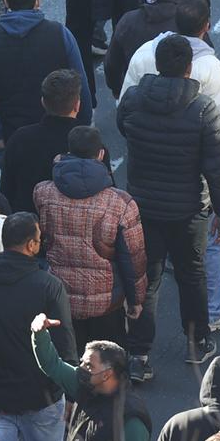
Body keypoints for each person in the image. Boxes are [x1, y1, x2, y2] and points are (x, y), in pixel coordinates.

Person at [118, 34, 220, 374]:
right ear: (188, 67)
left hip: (143, 206)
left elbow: (124, 127)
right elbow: (216, 165)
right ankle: (197, 343)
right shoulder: (202, 109)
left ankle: (139, 354)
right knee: (191, 274)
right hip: (189, 209)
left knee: (146, 279)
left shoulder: (135, 99)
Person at [33, 126, 146, 352]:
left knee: (70, 365)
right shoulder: (120, 203)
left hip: (61, 299)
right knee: (108, 367)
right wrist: (135, 300)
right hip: (106, 303)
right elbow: (132, 258)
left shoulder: (43, 193)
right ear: (101, 154)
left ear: (68, 152)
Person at [0, 214, 75, 441]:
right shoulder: (49, 286)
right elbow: (64, 343)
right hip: (42, 397)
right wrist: (72, 391)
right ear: (31, 245)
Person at [0, 0, 92, 151]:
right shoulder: (60, 34)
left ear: (6, 2)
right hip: (58, 136)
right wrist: (81, 126)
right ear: (37, 0)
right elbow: (80, 85)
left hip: (11, 138)